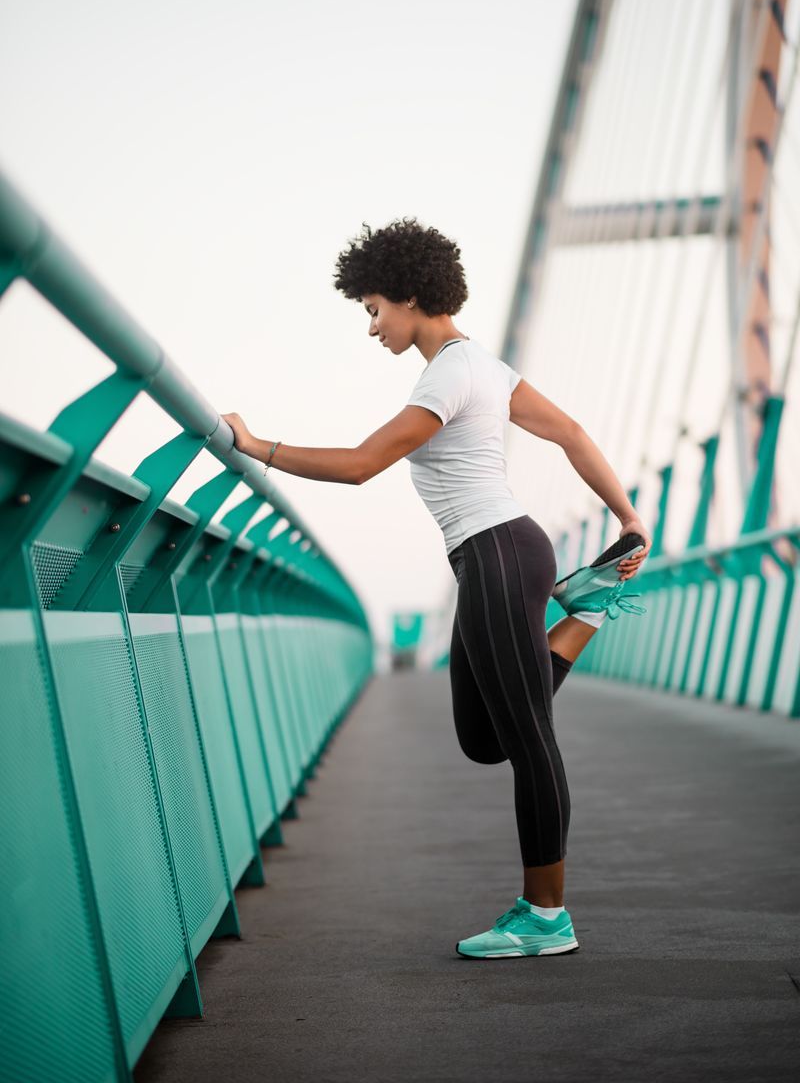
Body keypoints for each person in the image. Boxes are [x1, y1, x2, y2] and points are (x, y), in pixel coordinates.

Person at [222, 216, 653, 960]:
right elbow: (575, 433)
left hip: (497, 554)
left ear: (410, 296)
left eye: (372, 309)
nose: (371, 327)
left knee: (529, 742)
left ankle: (546, 916)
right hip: (501, 555)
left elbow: (362, 465)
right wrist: (626, 514)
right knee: (483, 737)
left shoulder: (450, 374)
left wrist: (256, 445)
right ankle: (586, 612)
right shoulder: (484, 367)